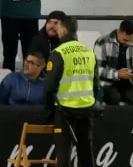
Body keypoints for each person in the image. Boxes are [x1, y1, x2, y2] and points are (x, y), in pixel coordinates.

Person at [44, 16, 100, 167]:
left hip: (65, 110)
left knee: (64, 154)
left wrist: (48, 111)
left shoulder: (59, 53)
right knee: (86, 152)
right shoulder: (89, 53)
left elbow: (49, 86)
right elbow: (96, 86)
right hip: (87, 109)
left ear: (63, 30)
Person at [93, 19, 133, 106]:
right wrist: (117, 74)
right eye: (125, 40)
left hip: (126, 82)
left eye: (131, 40)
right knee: (113, 97)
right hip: (106, 83)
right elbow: (96, 70)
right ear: (119, 33)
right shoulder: (102, 42)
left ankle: (131, 120)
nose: (129, 43)